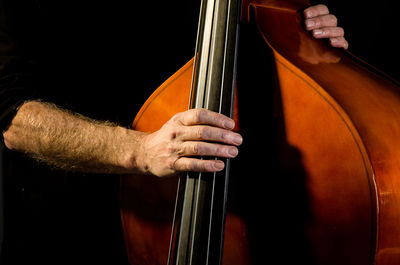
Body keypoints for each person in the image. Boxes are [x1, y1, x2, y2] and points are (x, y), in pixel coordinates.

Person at [0, 1, 348, 264]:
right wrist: (141, 149)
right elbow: (11, 117)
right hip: (75, 229)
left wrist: (293, 30)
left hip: (229, 215)